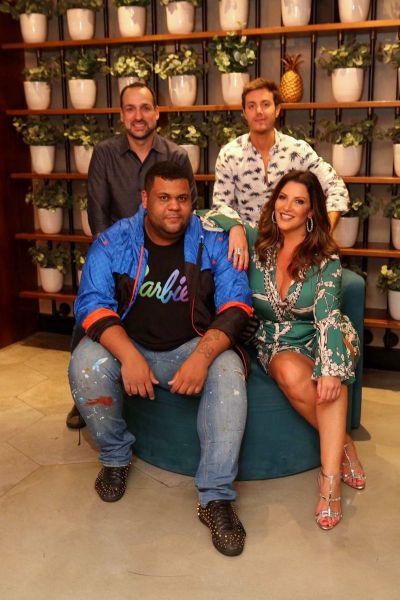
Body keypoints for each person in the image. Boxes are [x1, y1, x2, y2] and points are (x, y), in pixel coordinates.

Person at [68, 161, 253, 556]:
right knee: (85, 363)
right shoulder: (114, 241)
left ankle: (215, 497)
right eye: (164, 197)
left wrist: (202, 357)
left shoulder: (211, 240)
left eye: (182, 198)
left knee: (228, 368)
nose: (174, 207)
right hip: (129, 344)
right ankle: (115, 458)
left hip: (188, 347)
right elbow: (92, 304)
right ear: (145, 199)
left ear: (192, 201)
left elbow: (236, 303)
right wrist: (129, 357)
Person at [205, 169, 365, 530]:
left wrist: (329, 368)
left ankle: (329, 484)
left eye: (299, 201)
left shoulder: (325, 258)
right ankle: (344, 445)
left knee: (330, 382)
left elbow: (328, 316)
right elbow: (208, 214)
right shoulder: (256, 242)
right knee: (289, 372)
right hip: (277, 339)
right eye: (282, 197)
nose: (287, 207)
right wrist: (235, 227)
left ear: (311, 212)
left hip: (325, 333)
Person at [66, 82, 197, 428]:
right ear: (122, 115)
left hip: (164, 256)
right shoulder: (105, 153)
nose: (139, 116)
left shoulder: (176, 155)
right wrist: (113, 264)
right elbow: (98, 215)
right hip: (116, 257)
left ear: (157, 113)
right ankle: (82, 397)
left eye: (145, 108)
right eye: (131, 109)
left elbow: (187, 212)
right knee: (89, 308)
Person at [212, 77, 349, 272]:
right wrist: (235, 227)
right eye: (251, 106)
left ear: (277, 110)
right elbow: (220, 205)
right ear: (244, 113)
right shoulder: (229, 154)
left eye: (265, 104)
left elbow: (336, 188)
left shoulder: (297, 150)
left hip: (295, 250)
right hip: (246, 249)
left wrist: (324, 231)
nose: (259, 111)